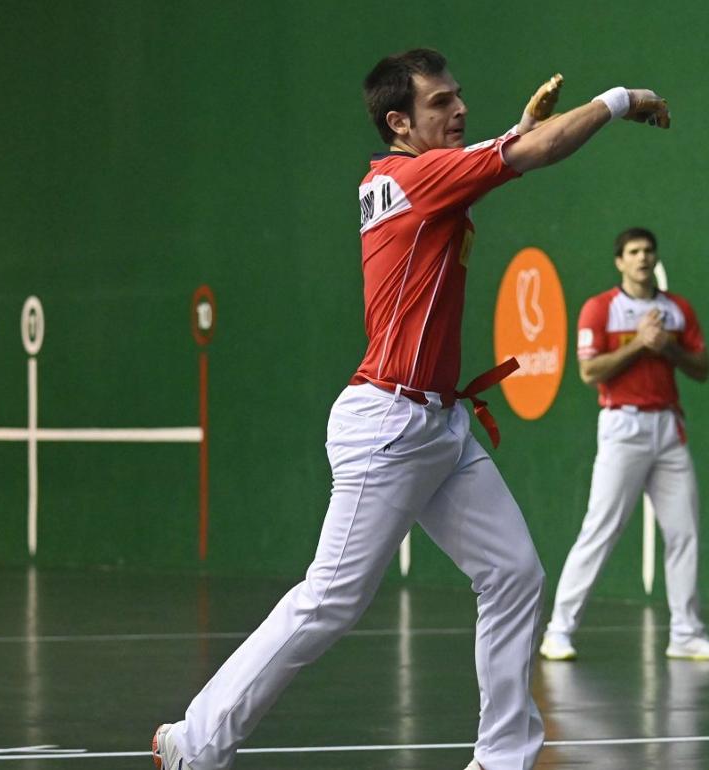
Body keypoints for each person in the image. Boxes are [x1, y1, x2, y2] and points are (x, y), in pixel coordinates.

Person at [151, 49, 672, 770]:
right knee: (330, 599)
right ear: (399, 121)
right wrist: (622, 95)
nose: (458, 110)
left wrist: (513, 134)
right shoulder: (415, 177)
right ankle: (194, 741)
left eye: (460, 97)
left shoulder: (406, 177)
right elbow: (537, 152)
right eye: (440, 104)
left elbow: (499, 158)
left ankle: (502, 758)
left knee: (514, 573)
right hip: (388, 426)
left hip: (440, 427)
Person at [539, 228, 709, 662]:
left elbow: (702, 368)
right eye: (633, 252)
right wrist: (640, 345)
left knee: (684, 532)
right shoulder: (600, 309)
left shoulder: (677, 311)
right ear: (619, 262)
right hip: (622, 427)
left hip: (669, 429)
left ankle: (685, 633)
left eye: (648, 251)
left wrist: (668, 349)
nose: (643, 258)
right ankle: (558, 631)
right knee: (601, 530)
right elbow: (590, 373)